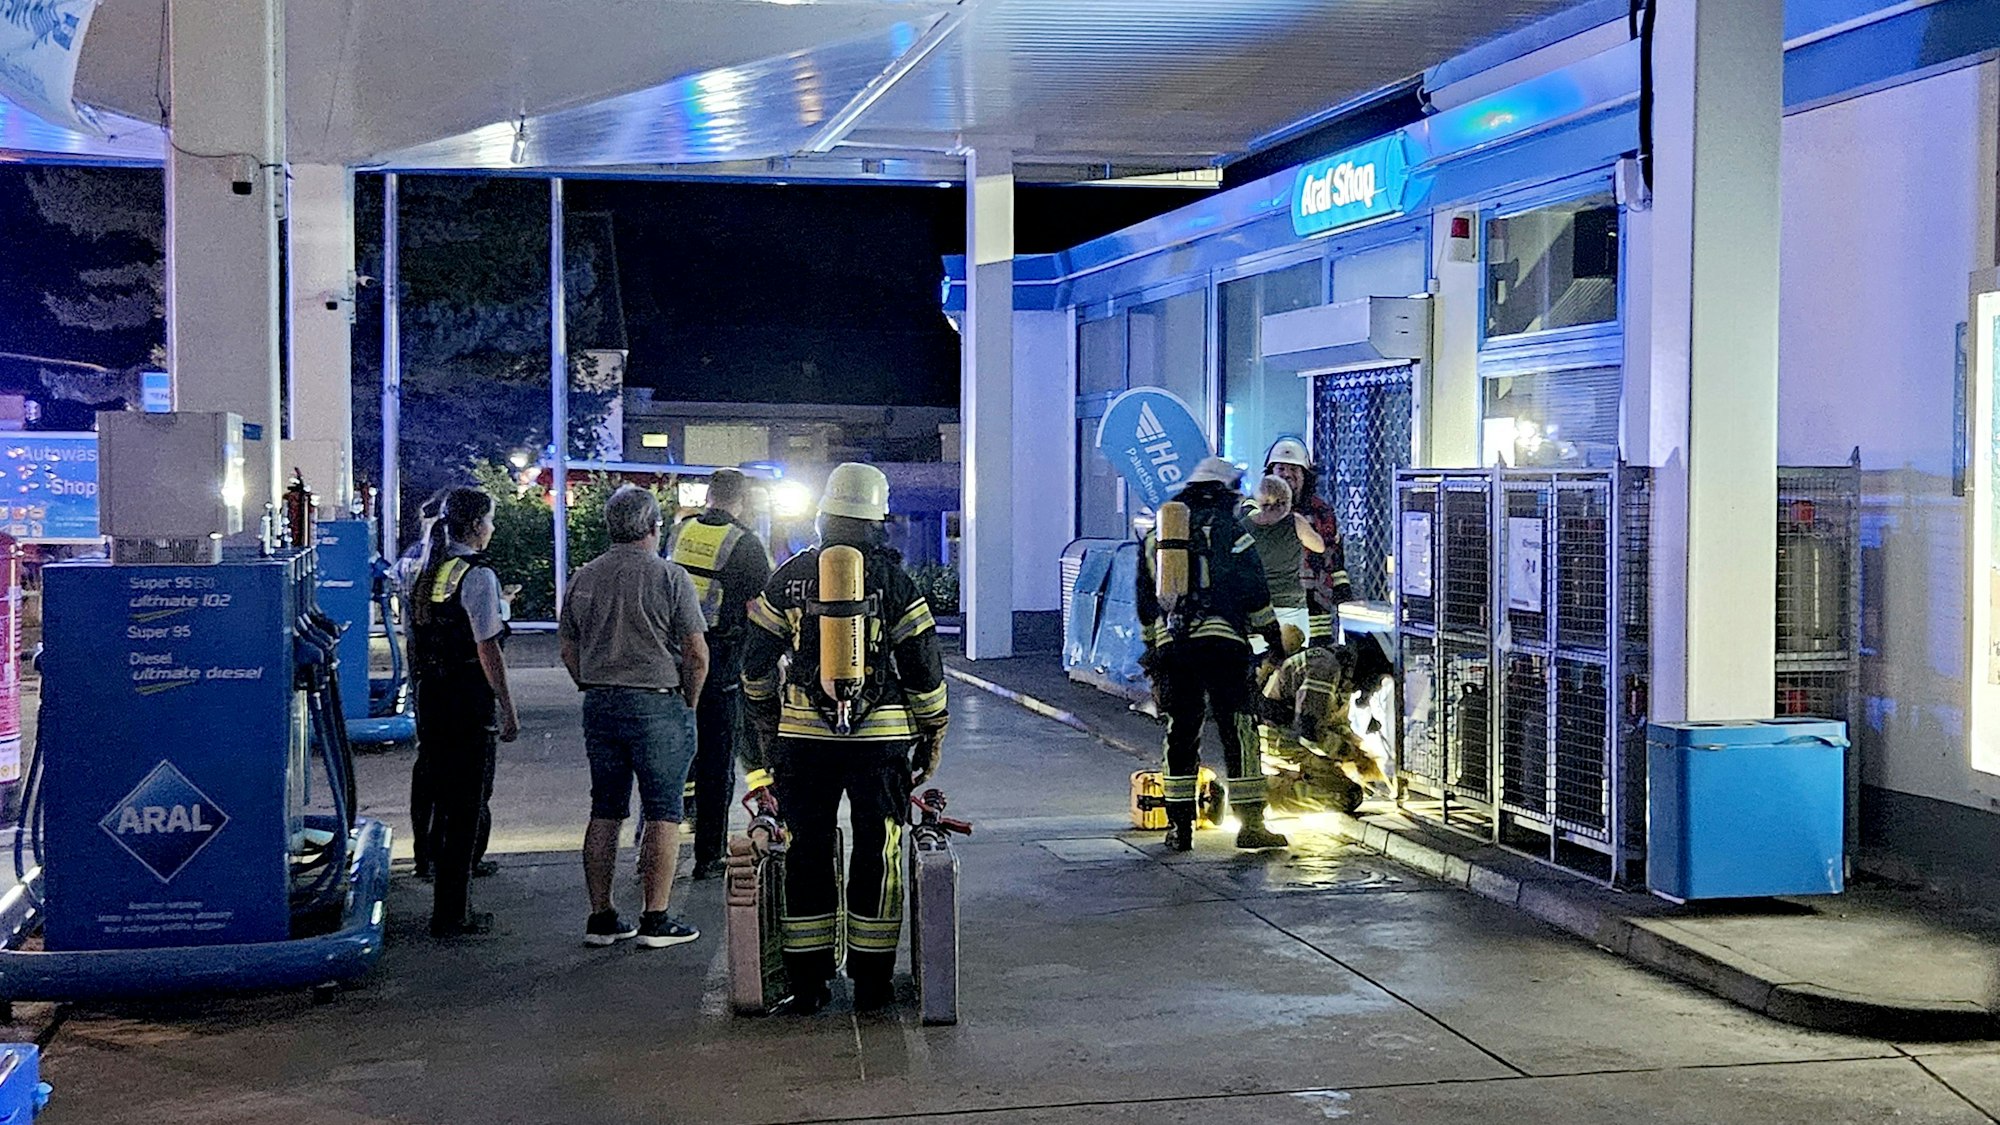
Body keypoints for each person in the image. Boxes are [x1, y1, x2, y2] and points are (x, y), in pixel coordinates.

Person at [739, 463, 949, 1015]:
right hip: (880, 744)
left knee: (806, 848)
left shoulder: (788, 576)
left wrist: (766, 719)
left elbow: (754, 664)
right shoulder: (896, 582)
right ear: (878, 519)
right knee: (878, 851)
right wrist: (933, 731)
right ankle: (873, 984)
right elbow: (924, 666)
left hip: (803, 743)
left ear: (824, 514)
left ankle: (808, 983)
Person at [560, 485, 710, 949]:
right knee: (664, 811)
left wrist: (590, 682)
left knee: (605, 809)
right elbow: (696, 652)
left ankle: (601, 916)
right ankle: (656, 917)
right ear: (652, 527)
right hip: (657, 702)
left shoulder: (584, 577)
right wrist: (690, 699)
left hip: (601, 703)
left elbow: (568, 647)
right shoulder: (670, 577)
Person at [1136, 456, 1287, 852]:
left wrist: (1154, 651)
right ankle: (1251, 825)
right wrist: (1272, 636)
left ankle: (1179, 829)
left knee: (1181, 731)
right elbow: (1254, 588)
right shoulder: (1230, 532)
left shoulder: (1159, 534)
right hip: (1224, 646)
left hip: (1175, 647)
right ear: (1225, 491)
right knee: (1237, 727)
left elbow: (1144, 599)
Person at [409, 487, 519, 938]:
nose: (491, 529)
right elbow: (486, 646)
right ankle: (453, 913)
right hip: (467, 700)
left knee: (438, 791)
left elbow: (419, 634)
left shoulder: (428, 568)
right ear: (476, 526)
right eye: (490, 520)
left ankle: (433, 873)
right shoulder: (476, 576)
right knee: (467, 804)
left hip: (431, 695)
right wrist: (508, 708)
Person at [664, 469, 774, 881]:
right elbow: (760, 611)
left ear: (709, 495)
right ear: (741, 500)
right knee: (718, 756)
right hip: (721, 658)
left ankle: (655, 840)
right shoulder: (744, 543)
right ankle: (708, 854)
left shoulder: (679, 532)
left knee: (676, 749)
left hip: (673, 655)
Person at [1265, 437, 1351, 647]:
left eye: (1294, 469)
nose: (1287, 474)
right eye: (1281, 468)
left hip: (1316, 612)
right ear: (1270, 474)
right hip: (1275, 608)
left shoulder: (1321, 512)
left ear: (1305, 475)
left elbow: (1333, 555)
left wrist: (1342, 587)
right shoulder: (1258, 512)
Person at [1240, 474, 1325, 648]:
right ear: (1287, 501)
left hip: (1257, 609)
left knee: (1259, 666)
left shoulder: (1243, 527)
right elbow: (1319, 546)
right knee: (1293, 665)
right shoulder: (1295, 522)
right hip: (1291, 607)